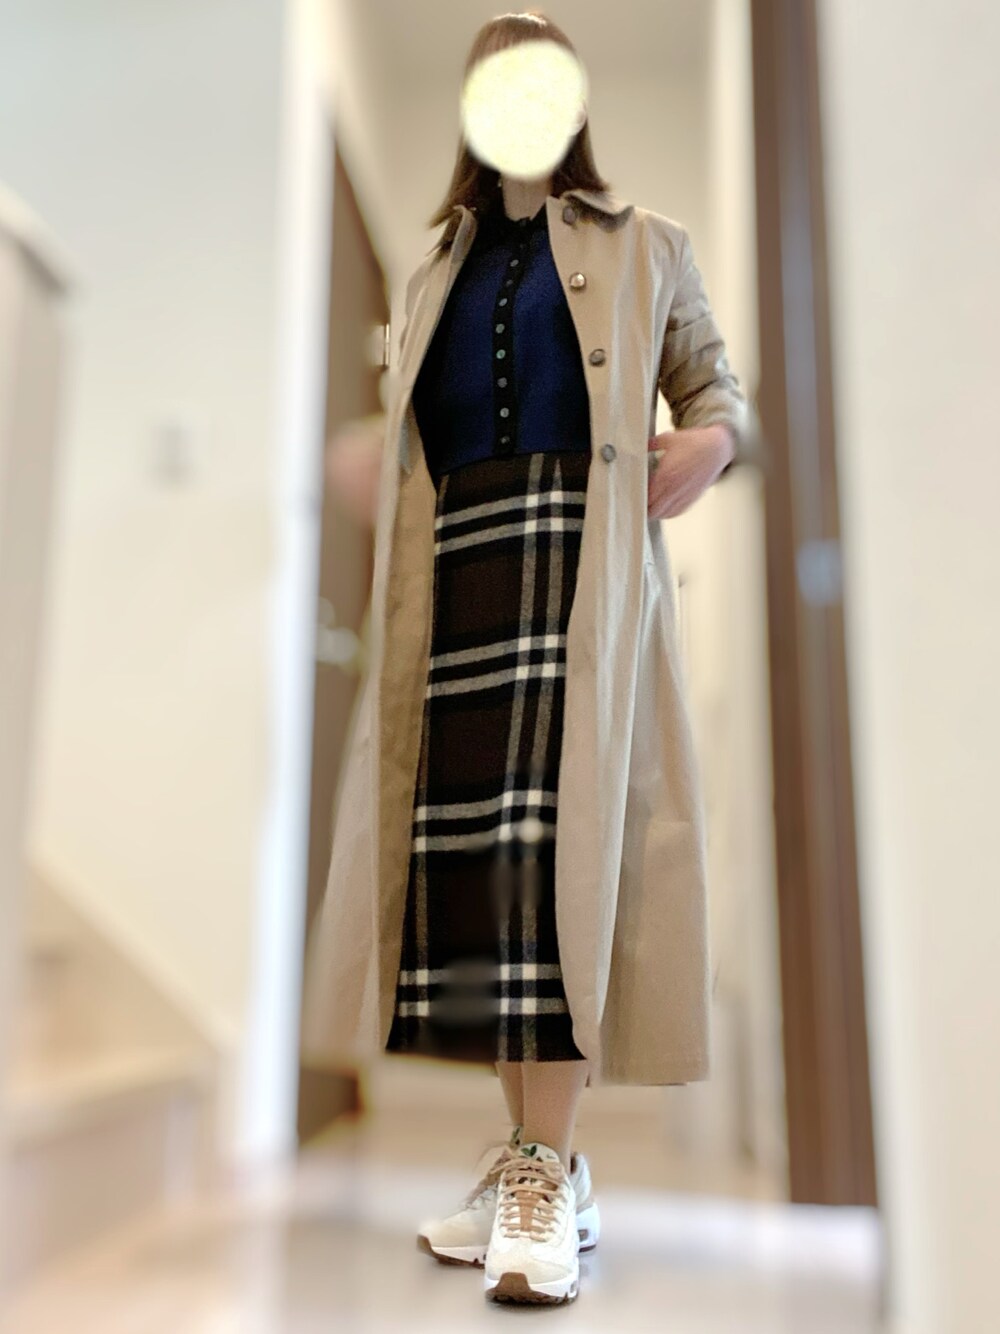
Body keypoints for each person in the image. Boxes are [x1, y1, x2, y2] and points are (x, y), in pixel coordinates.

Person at [300, 8, 746, 1310]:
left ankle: (544, 1168)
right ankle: (539, 1164)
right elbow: (419, 434)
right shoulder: (431, 268)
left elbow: (713, 391)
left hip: (574, 572)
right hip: (454, 586)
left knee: (559, 860)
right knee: (489, 887)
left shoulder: (649, 243)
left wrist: (712, 442)